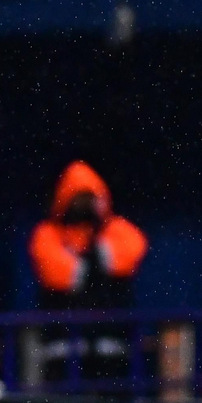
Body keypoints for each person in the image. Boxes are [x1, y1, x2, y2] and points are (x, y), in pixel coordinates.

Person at [27, 160, 147, 386]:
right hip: (64, 343)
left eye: (88, 198)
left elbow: (132, 250)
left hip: (112, 342)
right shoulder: (47, 233)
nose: (82, 205)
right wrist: (87, 265)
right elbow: (59, 274)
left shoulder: (115, 229)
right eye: (76, 198)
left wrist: (95, 251)